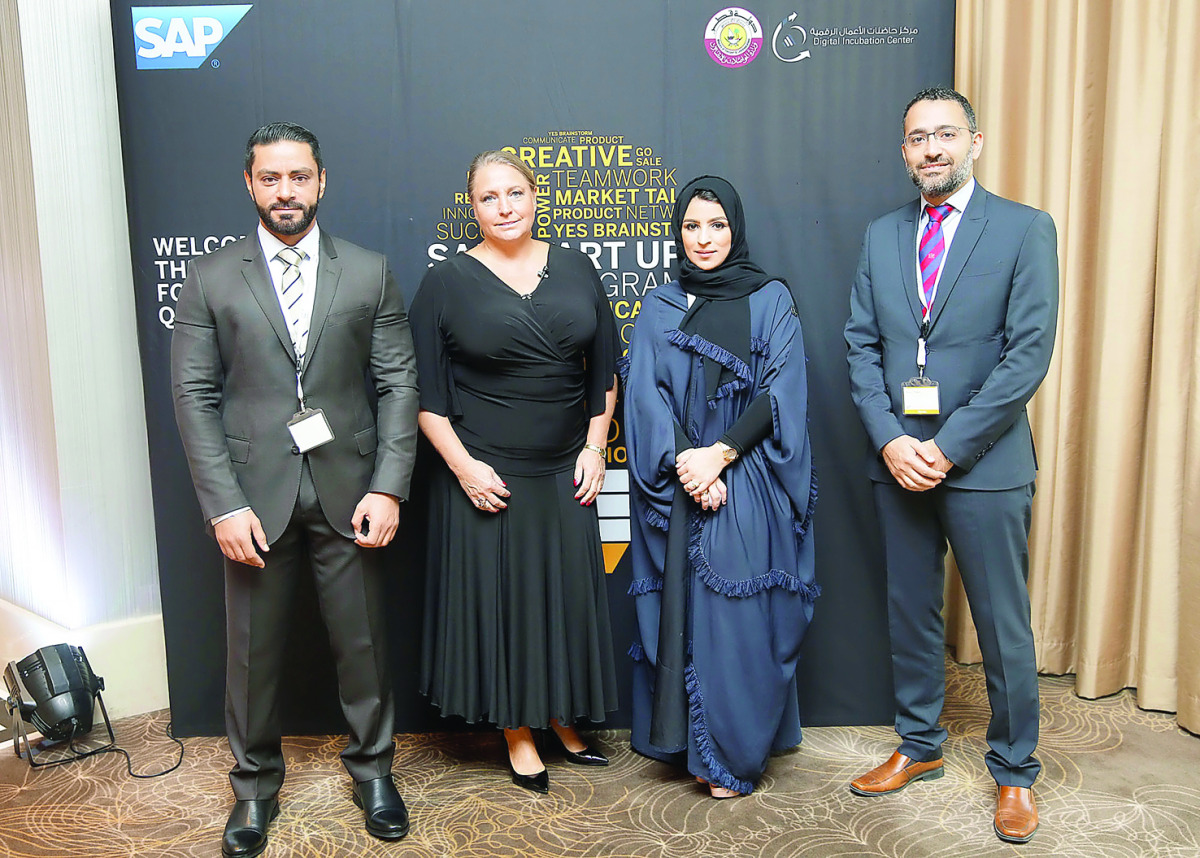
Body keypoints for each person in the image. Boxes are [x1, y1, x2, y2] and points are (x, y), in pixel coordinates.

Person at [171, 122, 419, 857]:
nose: (287, 191)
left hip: (353, 494)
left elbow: (398, 384)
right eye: (271, 179)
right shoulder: (212, 277)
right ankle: (252, 790)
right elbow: (193, 396)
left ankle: (374, 774)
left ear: (321, 182)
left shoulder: (370, 272)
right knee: (251, 657)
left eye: (299, 177)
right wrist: (222, 503)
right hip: (252, 501)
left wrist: (389, 488)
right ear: (250, 184)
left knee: (364, 648)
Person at [844, 86, 1058, 843]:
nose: (931, 149)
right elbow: (861, 347)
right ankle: (919, 746)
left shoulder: (1026, 230)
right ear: (904, 152)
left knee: (1002, 625)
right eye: (917, 138)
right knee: (910, 612)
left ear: (975, 141)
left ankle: (1015, 773)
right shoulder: (880, 237)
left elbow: (1027, 355)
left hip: (984, 460)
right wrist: (891, 440)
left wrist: (946, 445)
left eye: (945, 134)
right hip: (898, 460)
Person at [410, 149, 619, 794]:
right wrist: (465, 469)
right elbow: (426, 397)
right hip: (486, 472)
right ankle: (516, 728)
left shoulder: (577, 267)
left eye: (515, 194)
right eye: (488, 198)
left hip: (565, 466)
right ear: (471, 208)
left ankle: (558, 713)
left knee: (561, 597)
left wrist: (593, 447)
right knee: (503, 603)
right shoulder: (446, 283)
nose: (504, 208)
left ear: (536, 197)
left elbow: (606, 370)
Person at [623, 175, 818, 798]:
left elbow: (781, 390)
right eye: (691, 226)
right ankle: (693, 749)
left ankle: (733, 755)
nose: (703, 239)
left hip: (749, 473)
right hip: (684, 477)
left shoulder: (769, 298)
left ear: (736, 230)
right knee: (686, 616)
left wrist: (722, 454)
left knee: (737, 623)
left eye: (716, 225)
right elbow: (645, 398)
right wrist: (690, 464)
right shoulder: (661, 305)